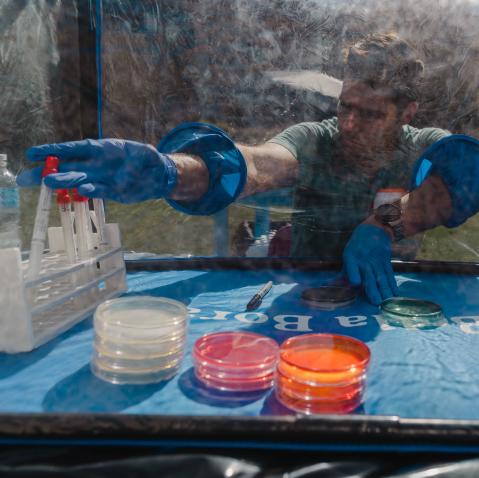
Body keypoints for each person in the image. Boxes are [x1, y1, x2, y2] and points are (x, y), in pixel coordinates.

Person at [17, 33, 479, 305]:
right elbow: (256, 164)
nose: (350, 124)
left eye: (371, 114)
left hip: (388, 296)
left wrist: (384, 225)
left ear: (408, 113)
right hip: (299, 287)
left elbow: (463, 177)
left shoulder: (424, 147)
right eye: (345, 107)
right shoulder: (317, 137)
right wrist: (173, 171)